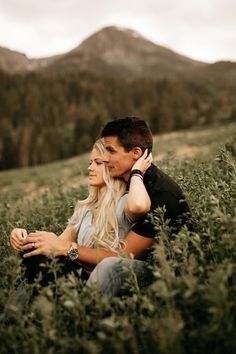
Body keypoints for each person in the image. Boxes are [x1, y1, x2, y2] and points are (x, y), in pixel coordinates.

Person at [10, 139, 153, 285]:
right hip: (77, 275)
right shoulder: (85, 208)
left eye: (97, 163)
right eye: (90, 163)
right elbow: (57, 244)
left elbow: (138, 206)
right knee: (34, 251)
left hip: (107, 279)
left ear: (112, 166)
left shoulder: (125, 202)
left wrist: (136, 171)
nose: (90, 168)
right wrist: (24, 237)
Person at [85, 116, 191, 296]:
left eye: (110, 151)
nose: (104, 158)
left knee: (110, 267)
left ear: (136, 153)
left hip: (166, 273)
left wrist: (70, 250)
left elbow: (121, 256)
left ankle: (79, 319)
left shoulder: (162, 194)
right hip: (123, 261)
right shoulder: (120, 180)